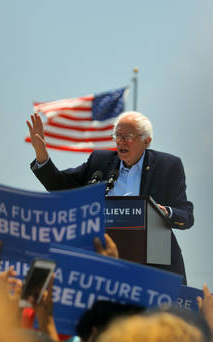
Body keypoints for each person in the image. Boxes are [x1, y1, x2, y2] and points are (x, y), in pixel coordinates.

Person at [27, 110, 194, 281]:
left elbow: (186, 215)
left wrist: (165, 212)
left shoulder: (167, 166)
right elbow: (60, 185)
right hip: (104, 263)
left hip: (153, 266)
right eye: (117, 136)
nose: (121, 142)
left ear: (146, 141)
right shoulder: (100, 161)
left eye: (127, 136)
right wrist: (42, 155)